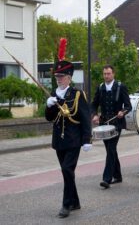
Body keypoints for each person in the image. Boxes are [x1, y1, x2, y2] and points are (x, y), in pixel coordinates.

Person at [45, 60, 92, 218]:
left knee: (66, 169)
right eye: (57, 76)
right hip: (59, 140)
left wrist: (87, 139)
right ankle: (75, 201)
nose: (58, 79)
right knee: (68, 172)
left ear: (69, 78)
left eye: (62, 76)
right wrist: (49, 105)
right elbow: (49, 118)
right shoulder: (54, 93)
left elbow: (85, 118)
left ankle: (66, 205)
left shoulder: (77, 94)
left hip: (74, 140)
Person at [91, 65, 132, 189]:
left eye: (108, 73)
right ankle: (118, 175)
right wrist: (94, 115)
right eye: (104, 74)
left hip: (117, 123)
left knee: (111, 149)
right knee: (111, 150)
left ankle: (106, 179)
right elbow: (94, 104)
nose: (106, 76)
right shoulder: (100, 87)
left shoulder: (121, 86)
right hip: (104, 123)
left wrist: (122, 112)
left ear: (113, 74)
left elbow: (128, 106)